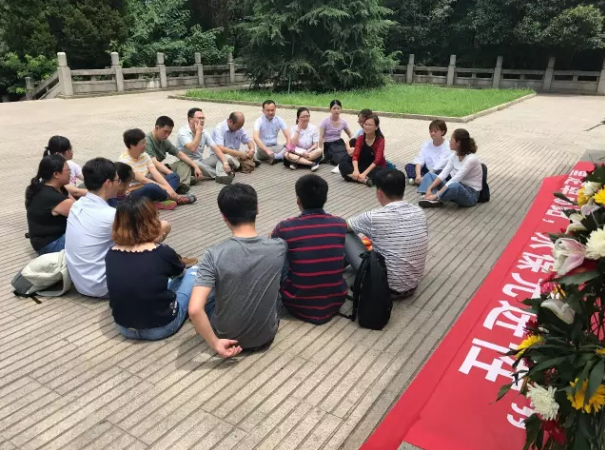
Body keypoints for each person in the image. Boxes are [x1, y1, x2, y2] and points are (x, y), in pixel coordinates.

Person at [189, 183, 287, 358]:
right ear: (257, 209)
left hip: (225, 337)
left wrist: (215, 344)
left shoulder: (213, 254)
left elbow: (195, 310)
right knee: (276, 294)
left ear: (224, 216)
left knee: (209, 291)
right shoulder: (279, 247)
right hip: (265, 337)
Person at [105, 196, 196, 340]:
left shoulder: (111, 253)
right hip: (161, 327)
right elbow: (181, 274)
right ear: (152, 219)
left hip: (124, 328)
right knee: (194, 272)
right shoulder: (161, 252)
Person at [271, 175, 347, 324]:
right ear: (325, 198)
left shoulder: (285, 227)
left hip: (297, 303)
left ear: (298, 200)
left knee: (279, 251)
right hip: (335, 301)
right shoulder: (340, 224)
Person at [346, 169, 428, 297]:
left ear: (379, 192)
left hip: (384, 290)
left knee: (345, 233)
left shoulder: (374, 217)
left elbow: (342, 226)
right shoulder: (419, 212)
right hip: (412, 286)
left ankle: (330, 264)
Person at [65, 158, 120, 298]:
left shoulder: (76, 206)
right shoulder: (110, 215)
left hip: (80, 283)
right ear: (108, 183)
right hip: (102, 286)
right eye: (117, 180)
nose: (119, 184)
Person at [119, 128, 195, 210]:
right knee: (151, 187)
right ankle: (176, 198)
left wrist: (169, 189)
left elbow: (155, 173)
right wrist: (166, 188)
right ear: (132, 145)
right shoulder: (125, 161)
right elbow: (144, 180)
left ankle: (164, 199)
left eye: (145, 142)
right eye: (142, 143)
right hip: (133, 193)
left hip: (148, 186)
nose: (145, 145)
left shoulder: (144, 155)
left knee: (174, 176)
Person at [418, 129, 483, 208]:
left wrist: (436, 195)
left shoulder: (471, 159)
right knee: (430, 175)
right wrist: (429, 188)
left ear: (458, 143)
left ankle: (435, 197)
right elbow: (443, 174)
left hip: (470, 195)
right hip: (456, 186)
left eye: (451, 139)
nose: (449, 142)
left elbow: (455, 180)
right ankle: (431, 196)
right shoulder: (454, 155)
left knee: (454, 186)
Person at [25, 154, 75, 255]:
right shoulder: (54, 198)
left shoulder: (42, 186)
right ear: (56, 174)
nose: (70, 173)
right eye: (68, 170)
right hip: (49, 245)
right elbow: (85, 216)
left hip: (41, 241)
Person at [176, 107, 235, 185]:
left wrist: (225, 163)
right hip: (187, 163)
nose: (202, 120)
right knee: (195, 162)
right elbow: (193, 148)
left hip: (201, 162)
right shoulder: (183, 132)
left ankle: (221, 174)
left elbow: (216, 148)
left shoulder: (204, 132)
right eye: (199, 118)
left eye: (203, 118)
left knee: (224, 157)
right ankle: (220, 175)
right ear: (190, 119)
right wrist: (198, 132)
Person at [145, 116, 203, 194]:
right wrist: (172, 174)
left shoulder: (164, 140)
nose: (167, 135)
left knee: (183, 163)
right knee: (154, 176)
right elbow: (155, 163)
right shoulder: (147, 141)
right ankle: (182, 181)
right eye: (165, 131)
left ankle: (182, 184)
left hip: (161, 169)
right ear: (157, 128)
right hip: (149, 171)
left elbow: (180, 154)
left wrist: (195, 166)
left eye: (169, 132)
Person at [339, 115, 387, 186]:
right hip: (361, 166)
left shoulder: (380, 140)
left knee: (380, 173)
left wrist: (364, 174)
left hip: (373, 167)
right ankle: (365, 180)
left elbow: (377, 160)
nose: (367, 127)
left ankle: (355, 177)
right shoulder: (360, 138)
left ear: (376, 127)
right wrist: (356, 170)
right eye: (366, 124)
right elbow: (355, 156)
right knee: (342, 166)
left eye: (370, 125)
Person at [405, 120, 451, 186]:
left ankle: (421, 180)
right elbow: (420, 160)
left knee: (441, 173)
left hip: (438, 171)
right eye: (431, 131)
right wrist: (418, 175)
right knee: (409, 166)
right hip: (427, 170)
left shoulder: (447, 146)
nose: (433, 133)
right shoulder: (426, 144)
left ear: (442, 132)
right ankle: (421, 180)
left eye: (435, 131)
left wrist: (425, 177)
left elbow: (439, 165)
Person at [254, 100, 291, 165]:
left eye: (272, 110)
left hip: (276, 147)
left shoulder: (279, 120)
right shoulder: (258, 121)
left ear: (275, 110)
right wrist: (267, 150)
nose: (270, 112)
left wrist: (288, 147)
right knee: (261, 150)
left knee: (291, 144)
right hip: (264, 149)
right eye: (268, 110)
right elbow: (255, 137)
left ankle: (276, 157)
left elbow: (288, 136)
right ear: (263, 111)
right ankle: (282, 156)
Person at [319, 99, 353, 164]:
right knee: (338, 158)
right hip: (328, 145)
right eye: (334, 108)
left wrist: (352, 141)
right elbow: (321, 137)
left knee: (346, 155)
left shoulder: (343, 122)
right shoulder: (325, 122)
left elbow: (350, 133)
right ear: (330, 109)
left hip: (339, 143)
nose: (336, 110)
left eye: (338, 108)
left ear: (341, 109)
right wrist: (320, 151)